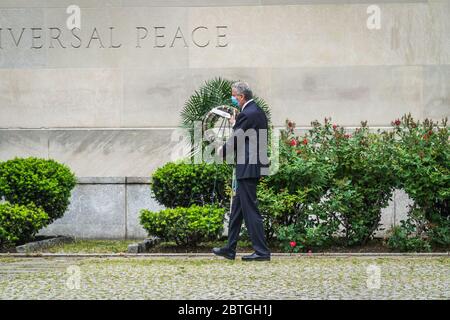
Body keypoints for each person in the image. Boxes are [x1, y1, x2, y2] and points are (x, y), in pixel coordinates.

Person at [213, 81, 271, 262]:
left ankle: (261, 252)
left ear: (241, 96)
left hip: (247, 167)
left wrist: (222, 152)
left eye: (234, 96)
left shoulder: (247, 113)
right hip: (252, 165)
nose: (233, 99)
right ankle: (230, 249)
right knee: (237, 209)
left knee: (250, 210)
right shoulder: (256, 111)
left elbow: (237, 138)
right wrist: (236, 123)